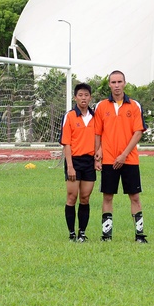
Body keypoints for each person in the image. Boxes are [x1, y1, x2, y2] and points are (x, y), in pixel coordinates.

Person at [93, 70, 148, 243]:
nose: (116, 85)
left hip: (129, 159)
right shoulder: (101, 106)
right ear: (109, 84)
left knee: (135, 197)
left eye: (119, 82)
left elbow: (138, 132)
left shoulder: (134, 105)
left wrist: (124, 155)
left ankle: (139, 235)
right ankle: (106, 235)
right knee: (107, 196)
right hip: (109, 159)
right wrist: (98, 152)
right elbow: (97, 133)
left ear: (125, 83)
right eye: (113, 82)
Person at [61, 83, 97, 242]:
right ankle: (71, 233)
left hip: (89, 161)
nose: (83, 98)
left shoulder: (95, 116)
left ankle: (82, 233)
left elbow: (99, 138)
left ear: (90, 97)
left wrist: (98, 157)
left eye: (86, 95)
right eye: (80, 95)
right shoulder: (69, 116)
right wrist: (70, 166)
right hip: (74, 161)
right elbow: (66, 143)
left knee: (85, 198)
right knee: (71, 197)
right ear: (75, 97)